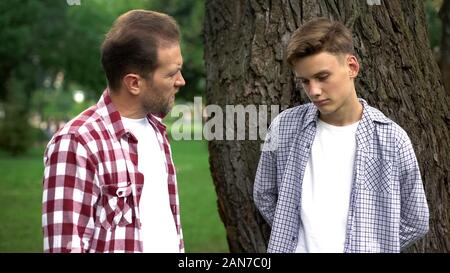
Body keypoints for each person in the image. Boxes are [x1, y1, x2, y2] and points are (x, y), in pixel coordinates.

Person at [253, 18, 429, 253]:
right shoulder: (284, 127)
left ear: (352, 67)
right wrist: (290, 233)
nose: (314, 91)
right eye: (305, 81)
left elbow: (416, 219)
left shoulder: (391, 140)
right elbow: (264, 193)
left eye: (323, 77)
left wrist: (374, 244)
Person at [42, 10, 186, 253]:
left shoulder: (157, 131)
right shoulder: (77, 142)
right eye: (171, 73)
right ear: (134, 83)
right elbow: (65, 246)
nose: (181, 81)